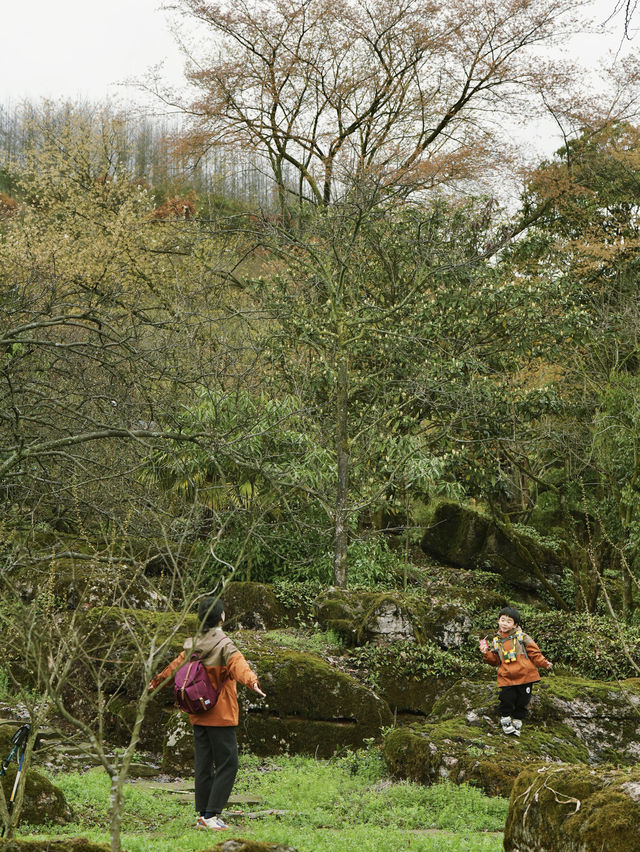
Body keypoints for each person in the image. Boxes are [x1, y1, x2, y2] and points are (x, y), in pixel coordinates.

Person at [149, 596, 266, 831]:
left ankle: (203, 814)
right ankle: (212, 816)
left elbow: (174, 667)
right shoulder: (224, 644)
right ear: (221, 617)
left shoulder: (193, 644)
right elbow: (239, 665)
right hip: (220, 716)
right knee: (228, 764)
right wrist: (252, 682)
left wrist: (156, 681)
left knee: (203, 764)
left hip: (197, 712)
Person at [479, 605, 551, 736]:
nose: (505, 624)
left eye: (509, 621)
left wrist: (544, 663)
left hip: (525, 674)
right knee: (507, 698)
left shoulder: (522, 637)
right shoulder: (496, 641)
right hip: (507, 675)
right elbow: (495, 661)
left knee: (523, 700)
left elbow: (534, 653)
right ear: (498, 621)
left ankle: (517, 721)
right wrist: (486, 653)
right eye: (502, 620)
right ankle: (505, 719)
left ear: (514, 624)